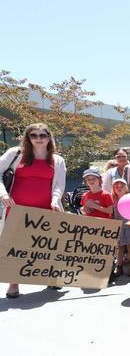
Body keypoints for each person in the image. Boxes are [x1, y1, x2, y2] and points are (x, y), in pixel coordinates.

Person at [1, 123, 66, 299]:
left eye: (43, 135)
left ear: (49, 137)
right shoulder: (15, 154)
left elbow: (59, 185)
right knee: (16, 246)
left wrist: (55, 199)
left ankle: (52, 277)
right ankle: (13, 283)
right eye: (34, 135)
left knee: (48, 245)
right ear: (28, 138)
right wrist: (3, 194)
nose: (39, 139)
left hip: (47, 210)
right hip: (16, 210)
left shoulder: (57, 160)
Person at [111, 178, 130, 277]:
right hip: (118, 225)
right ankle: (119, 266)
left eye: (121, 186)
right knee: (120, 247)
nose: (119, 188)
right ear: (113, 188)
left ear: (126, 188)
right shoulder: (113, 199)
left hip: (128, 224)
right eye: (116, 186)